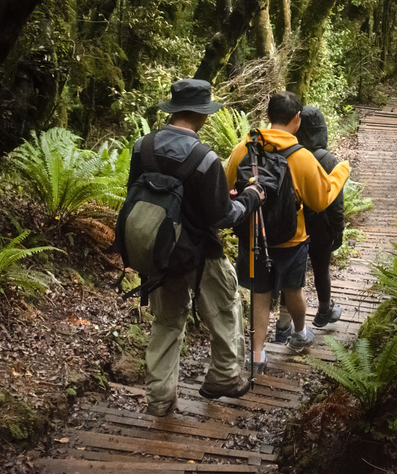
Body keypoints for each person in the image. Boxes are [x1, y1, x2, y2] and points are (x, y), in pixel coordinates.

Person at [132, 78, 264, 417]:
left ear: (174, 109)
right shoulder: (205, 159)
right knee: (224, 308)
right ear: (202, 114)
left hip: (159, 252)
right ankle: (223, 376)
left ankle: (160, 398)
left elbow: (138, 194)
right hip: (200, 251)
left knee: (166, 321)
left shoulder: (141, 147)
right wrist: (249, 198)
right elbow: (222, 216)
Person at [225, 91, 350, 373]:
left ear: (268, 116)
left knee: (260, 291)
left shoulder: (242, 149)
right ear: (297, 119)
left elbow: (226, 187)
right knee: (293, 288)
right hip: (292, 238)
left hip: (254, 235)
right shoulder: (301, 157)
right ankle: (299, 333)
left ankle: (257, 354)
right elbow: (320, 200)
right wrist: (341, 171)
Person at [269, 105, 345, 342]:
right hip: (321, 226)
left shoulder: (291, 153)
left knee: (292, 278)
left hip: (294, 224)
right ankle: (324, 310)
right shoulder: (327, 159)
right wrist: (338, 228)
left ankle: (283, 324)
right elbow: (336, 200)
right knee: (321, 268)